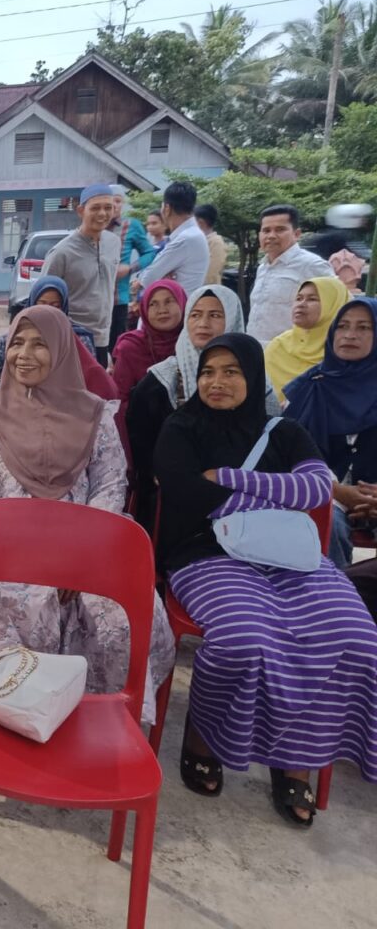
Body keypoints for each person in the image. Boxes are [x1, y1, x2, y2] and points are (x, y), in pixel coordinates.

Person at [154, 333, 377, 824]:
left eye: (231, 371)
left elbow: (317, 488)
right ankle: (204, 736)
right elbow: (188, 495)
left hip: (291, 555)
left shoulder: (284, 431)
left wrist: (229, 478)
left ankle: (296, 757)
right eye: (208, 372)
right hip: (206, 553)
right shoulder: (182, 427)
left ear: (253, 376)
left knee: (354, 636)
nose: (217, 382)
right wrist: (277, 494)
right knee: (243, 638)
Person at [0, 306, 175, 720]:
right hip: (8, 551)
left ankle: (101, 721)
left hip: (87, 548)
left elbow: (110, 489)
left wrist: (75, 564)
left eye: (39, 344)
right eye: (17, 343)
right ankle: (15, 712)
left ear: (62, 351)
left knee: (116, 616)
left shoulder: (95, 414)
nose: (24, 355)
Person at [125, 285, 278, 532]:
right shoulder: (162, 380)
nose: (203, 323)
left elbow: (272, 447)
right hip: (176, 503)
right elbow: (139, 440)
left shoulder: (258, 383)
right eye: (195, 315)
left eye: (215, 315)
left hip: (248, 503)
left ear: (233, 318)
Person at [283, 298, 377, 566]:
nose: (350, 335)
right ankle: (336, 590)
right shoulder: (309, 387)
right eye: (343, 326)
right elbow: (284, 455)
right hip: (323, 492)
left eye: (363, 327)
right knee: (324, 523)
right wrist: (336, 490)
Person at [0, 275, 117, 402]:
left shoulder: (78, 340)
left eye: (55, 306)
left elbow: (88, 382)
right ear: (32, 303)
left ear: (64, 307)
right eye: (41, 304)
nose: (47, 310)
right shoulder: (9, 339)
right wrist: (15, 403)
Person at [41, 183, 122, 364]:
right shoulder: (62, 252)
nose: (102, 213)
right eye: (95, 208)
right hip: (72, 338)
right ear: (80, 211)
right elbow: (42, 300)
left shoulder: (114, 243)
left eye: (108, 208)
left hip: (103, 337)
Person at [247, 205, 334, 342]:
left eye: (280, 230)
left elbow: (338, 304)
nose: (271, 236)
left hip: (291, 350)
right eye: (266, 230)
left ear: (296, 234)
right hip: (257, 348)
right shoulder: (263, 267)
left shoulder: (311, 265)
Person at [264, 275, 349, 401]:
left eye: (312, 299)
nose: (301, 304)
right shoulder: (279, 346)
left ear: (333, 305)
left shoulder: (346, 349)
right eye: (298, 298)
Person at [111, 279, 186, 405]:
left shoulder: (192, 344)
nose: (162, 310)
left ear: (183, 304)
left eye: (169, 301)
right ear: (144, 309)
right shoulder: (131, 347)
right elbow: (119, 400)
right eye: (153, 304)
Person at [135, 181, 209, 296]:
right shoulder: (191, 234)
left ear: (167, 208)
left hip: (178, 304)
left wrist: (148, 279)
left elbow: (147, 278)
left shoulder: (186, 239)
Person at [109, 185, 155, 349]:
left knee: (116, 347)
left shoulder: (131, 226)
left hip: (118, 300)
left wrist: (129, 268)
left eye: (118, 201)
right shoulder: (94, 227)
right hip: (93, 301)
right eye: (110, 201)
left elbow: (150, 253)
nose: (114, 205)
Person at [194, 204, 227, 286]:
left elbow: (212, 273)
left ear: (200, 222)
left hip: (206, 290)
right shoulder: (197, 241)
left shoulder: (216, 242)